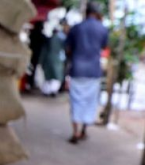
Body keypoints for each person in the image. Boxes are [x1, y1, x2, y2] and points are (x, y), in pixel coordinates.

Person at [65, 2, 109, 143]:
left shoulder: (77, 28)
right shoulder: (102, 29)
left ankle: (75, 132)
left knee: (76, 101)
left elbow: (68, 48)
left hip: (77, 69)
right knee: (89, 102)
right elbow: (104, 46)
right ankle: (84, 130)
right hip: (93, 70)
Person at [39, 25, 66, 96]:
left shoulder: (48, 40)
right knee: (57, 76)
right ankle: (53, 90)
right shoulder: (60, 40)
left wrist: (40, 61)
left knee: (48, 76)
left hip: (48, 59)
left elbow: (43, 51)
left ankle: (47, 90)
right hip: (57, 60)